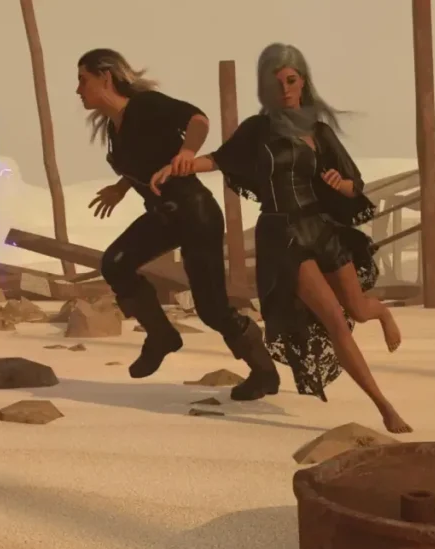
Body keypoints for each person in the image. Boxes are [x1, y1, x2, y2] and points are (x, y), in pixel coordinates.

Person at [150, 43, 411, 433]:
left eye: (291, 80)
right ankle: (384, 407)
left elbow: (353, 184)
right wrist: (179, 167)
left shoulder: (318, 132)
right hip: (282, 235)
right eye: (277, 84)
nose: (285, 90)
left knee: (358, 309)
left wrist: (340, 185)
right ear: (265, 88)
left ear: (303, 81)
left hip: (320, 228)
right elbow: (219, 159)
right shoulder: (258, 130)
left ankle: (384, 313)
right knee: (336, 322)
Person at [75, 48, 279, 392]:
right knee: (115, 263)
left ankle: (264, 372)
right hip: (165, 215)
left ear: (105, 77)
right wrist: (121, 188)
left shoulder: (145, 105)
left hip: (194, 213)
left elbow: (198, 119)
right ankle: (161, 336)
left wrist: (187, 152)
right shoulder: (114, 127)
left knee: (212, 310)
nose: (78, 89)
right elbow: (143, 160)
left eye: (83, 80)